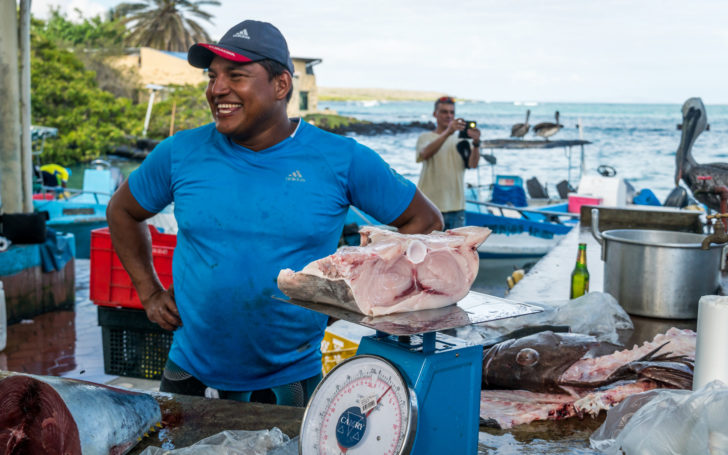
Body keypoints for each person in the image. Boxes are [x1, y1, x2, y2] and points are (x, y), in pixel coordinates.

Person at [106, 19, 443, 406]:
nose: (217, 89)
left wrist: (354, 298)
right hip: (188, 373)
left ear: (281, 85)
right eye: (212, 76)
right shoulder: (180, 152)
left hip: (290, 382)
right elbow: (122, 211)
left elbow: (426, 222)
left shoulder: (341, 159)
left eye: (236, 75)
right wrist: (148, 293)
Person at [416, 96, 481, 229]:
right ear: (435, 114)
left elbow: (473, 165)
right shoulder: (425, 138)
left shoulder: (463, 141)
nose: (449, 115)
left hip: (457, 208)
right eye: (444, 112)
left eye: (452, 112)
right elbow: (425, 153)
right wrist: (448, 132)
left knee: (455, 250)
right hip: (429, 207)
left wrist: (476, 144)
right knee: (428, 249)